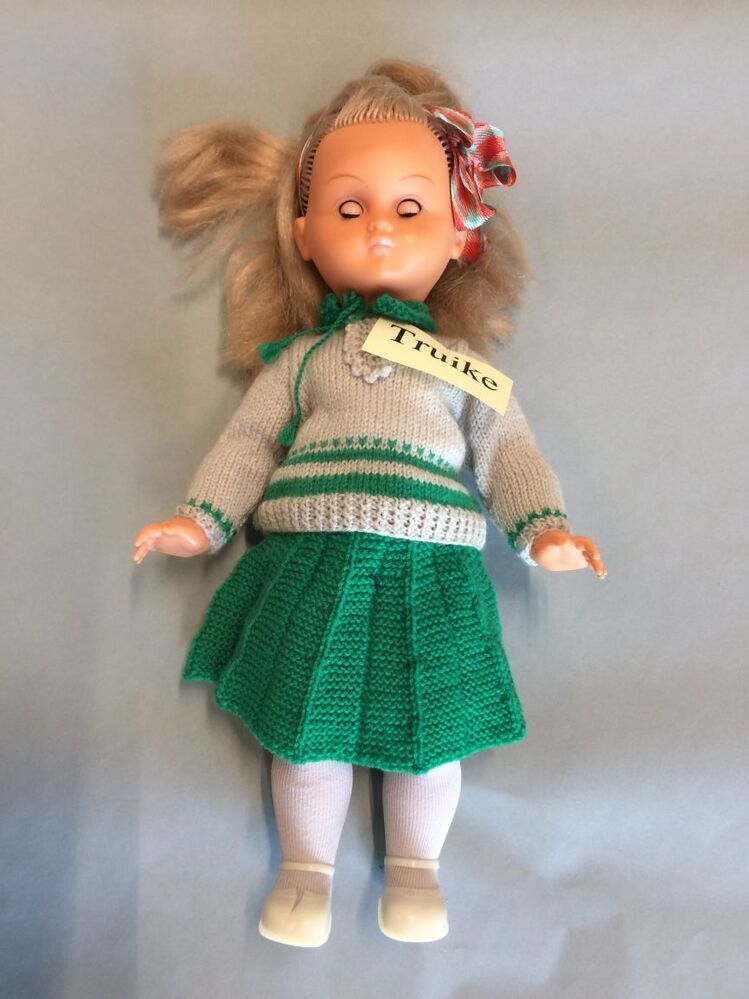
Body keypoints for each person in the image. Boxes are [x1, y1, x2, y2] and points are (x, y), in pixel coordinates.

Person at [133, 59, 606, 948]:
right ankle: (304, 869)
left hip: (432, 573)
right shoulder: (299, 361)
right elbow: (248, 442)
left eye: (409, 207)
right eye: (349, 209)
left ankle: (416, 867)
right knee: (304, 727)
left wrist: (542, 529)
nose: (380, 228)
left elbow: (508, 450)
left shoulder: (464, 371)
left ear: (460, 235)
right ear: (305, 233)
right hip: (309, 562)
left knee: (430, 733)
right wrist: (201, 519)